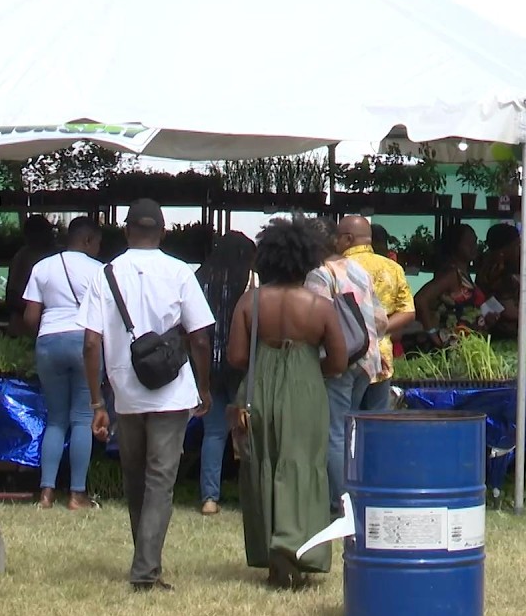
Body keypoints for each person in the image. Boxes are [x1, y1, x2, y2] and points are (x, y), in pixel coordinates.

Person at [79, 199, 215, 593]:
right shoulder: (179, 272)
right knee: (160, 480)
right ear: (164, 231)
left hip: (126, 392)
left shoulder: (105, 274)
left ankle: (144, 560)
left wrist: (97, 402)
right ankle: (145, 568)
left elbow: (90, 343)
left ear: (125, 231)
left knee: (136, 478)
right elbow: (200, 338)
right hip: (172, 391)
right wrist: (203, 387)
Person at [228, 217, 347, 588]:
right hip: (305, 389)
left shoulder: (250, 302)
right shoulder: (320, 306)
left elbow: (236, 356)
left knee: (263, 463)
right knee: (302, 465)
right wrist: (307, 369)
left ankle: (271, 551)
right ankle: (298, 548)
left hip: (259, 388)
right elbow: (339, 361)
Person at [22, 216, 103, 510]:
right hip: (84, 342)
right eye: (97, 243)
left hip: (48, 342)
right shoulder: (99, 270)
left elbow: (30, 317)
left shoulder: (42, 267)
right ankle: (76, 494)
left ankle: (46, 492)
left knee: (55, 420)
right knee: (82, 418)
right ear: (87, 240)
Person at [305, 219, 386, 516]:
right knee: (350, 431)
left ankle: (341, 502)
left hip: (338, 361)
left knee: (334, 432)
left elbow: (317, 322)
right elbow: (381, 320)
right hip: (367, 359)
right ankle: (356, 493)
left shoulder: (319, 274)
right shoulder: (358, 270)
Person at [194, 231, 257, 516]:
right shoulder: (251, 280)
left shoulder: (200, 278)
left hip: (207, 363)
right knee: (248, 429)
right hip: (241, 363)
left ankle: (209, 498)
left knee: (214, 433)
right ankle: (251, 494)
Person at [336, 215, 415, 410]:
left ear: (348, 238)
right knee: (376, 419)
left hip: (349, 357)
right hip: (381, 357)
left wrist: (362, 332)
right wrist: (377, 330)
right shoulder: (393, 268)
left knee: (345, 419)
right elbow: (408, 311)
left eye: (337, 237)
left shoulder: (336, 268)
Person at [414, 224, 496, 347]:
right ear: (455, 245)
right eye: (468, 243)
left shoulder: (464, 274)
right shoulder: (451, 274)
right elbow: (420, 299)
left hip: (468, 343)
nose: (474, 246)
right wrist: (432, 333)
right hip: (453, 344)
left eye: (475, 242)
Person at [6, 215, 58, 337]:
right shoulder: (23, 257)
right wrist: (35, 309)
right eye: (47, 231)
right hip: (24, 324)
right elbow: (12, 296)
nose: (52, 235)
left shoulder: (55, 254)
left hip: (47, 324)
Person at [476, 223, 522, 339]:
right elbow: (505, 308)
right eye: (517, 246)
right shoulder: (496, 271)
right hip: (501, 334)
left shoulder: (488, 267)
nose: (520, 250)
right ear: (504, 249)